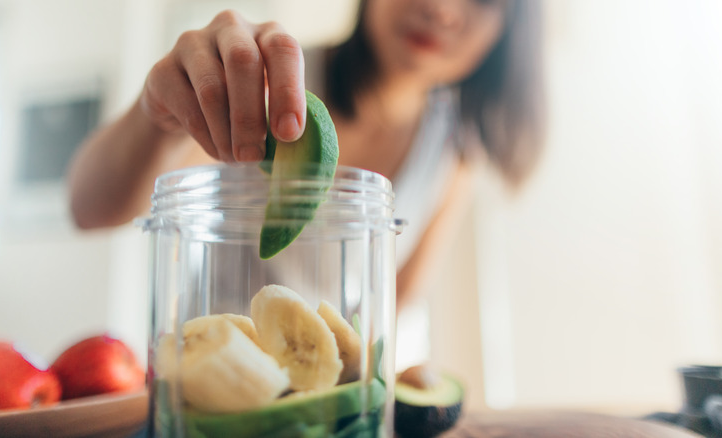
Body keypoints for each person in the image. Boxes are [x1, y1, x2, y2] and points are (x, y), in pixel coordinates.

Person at [68, 0, 544, 310]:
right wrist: (155, 117)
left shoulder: (457, 149)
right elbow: (90, 207)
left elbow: (396, 299)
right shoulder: (267, 84)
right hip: (221, 391)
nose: (442, 8)